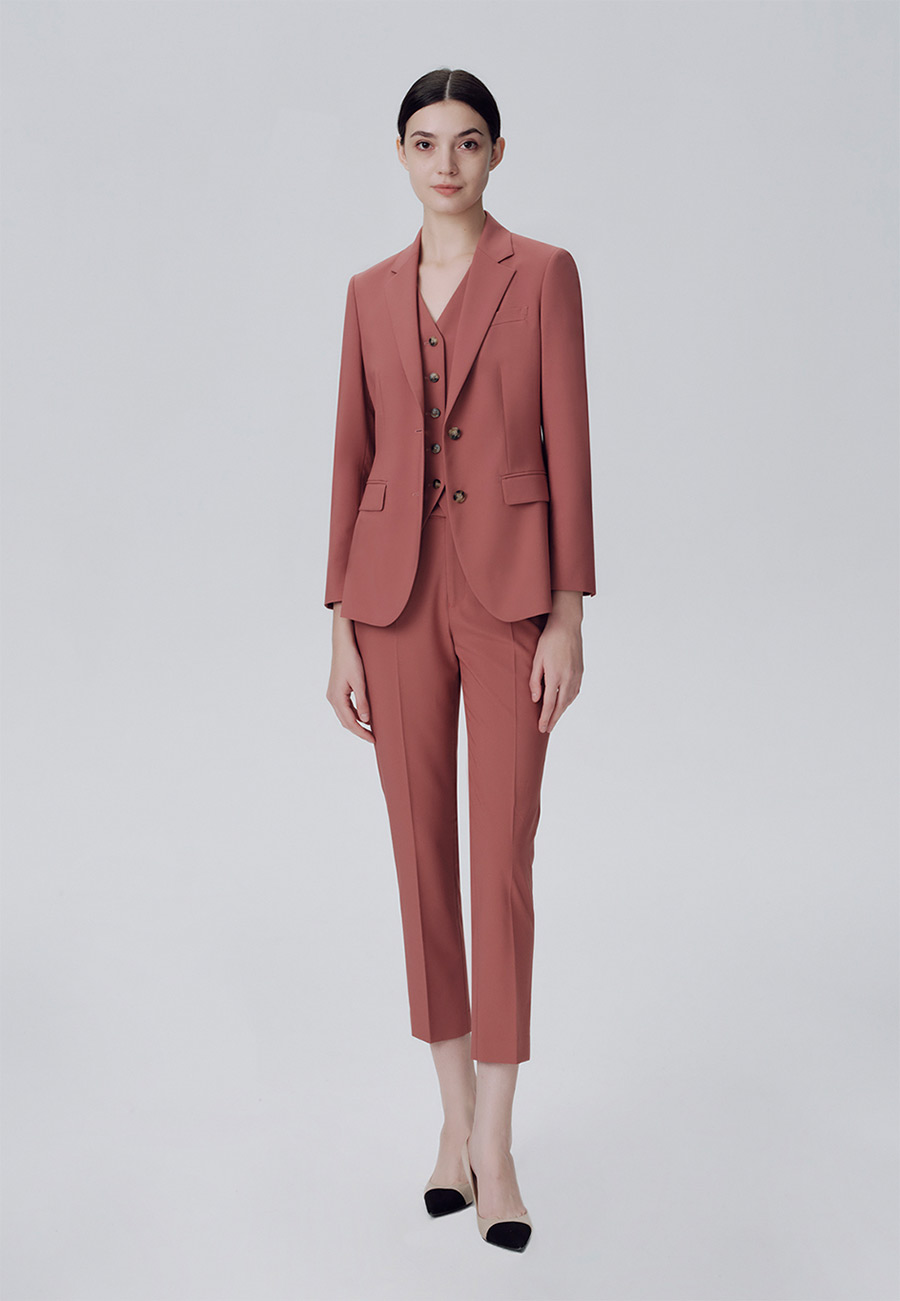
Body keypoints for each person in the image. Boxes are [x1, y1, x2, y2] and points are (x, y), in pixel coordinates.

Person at [324, 67, 595, 1252]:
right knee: (421, 856)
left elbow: (571, 443)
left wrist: (568, 615)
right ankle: (451, 1122)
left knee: (501, 859)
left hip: (509, 596)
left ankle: (499, 1136)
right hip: (389, 598)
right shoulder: (367, 292)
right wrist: (338, 620)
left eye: (468, 141)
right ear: (400, 154)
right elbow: (351, 457)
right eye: (426, 141)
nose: (447, 162)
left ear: (497, 154)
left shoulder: (543, 273)